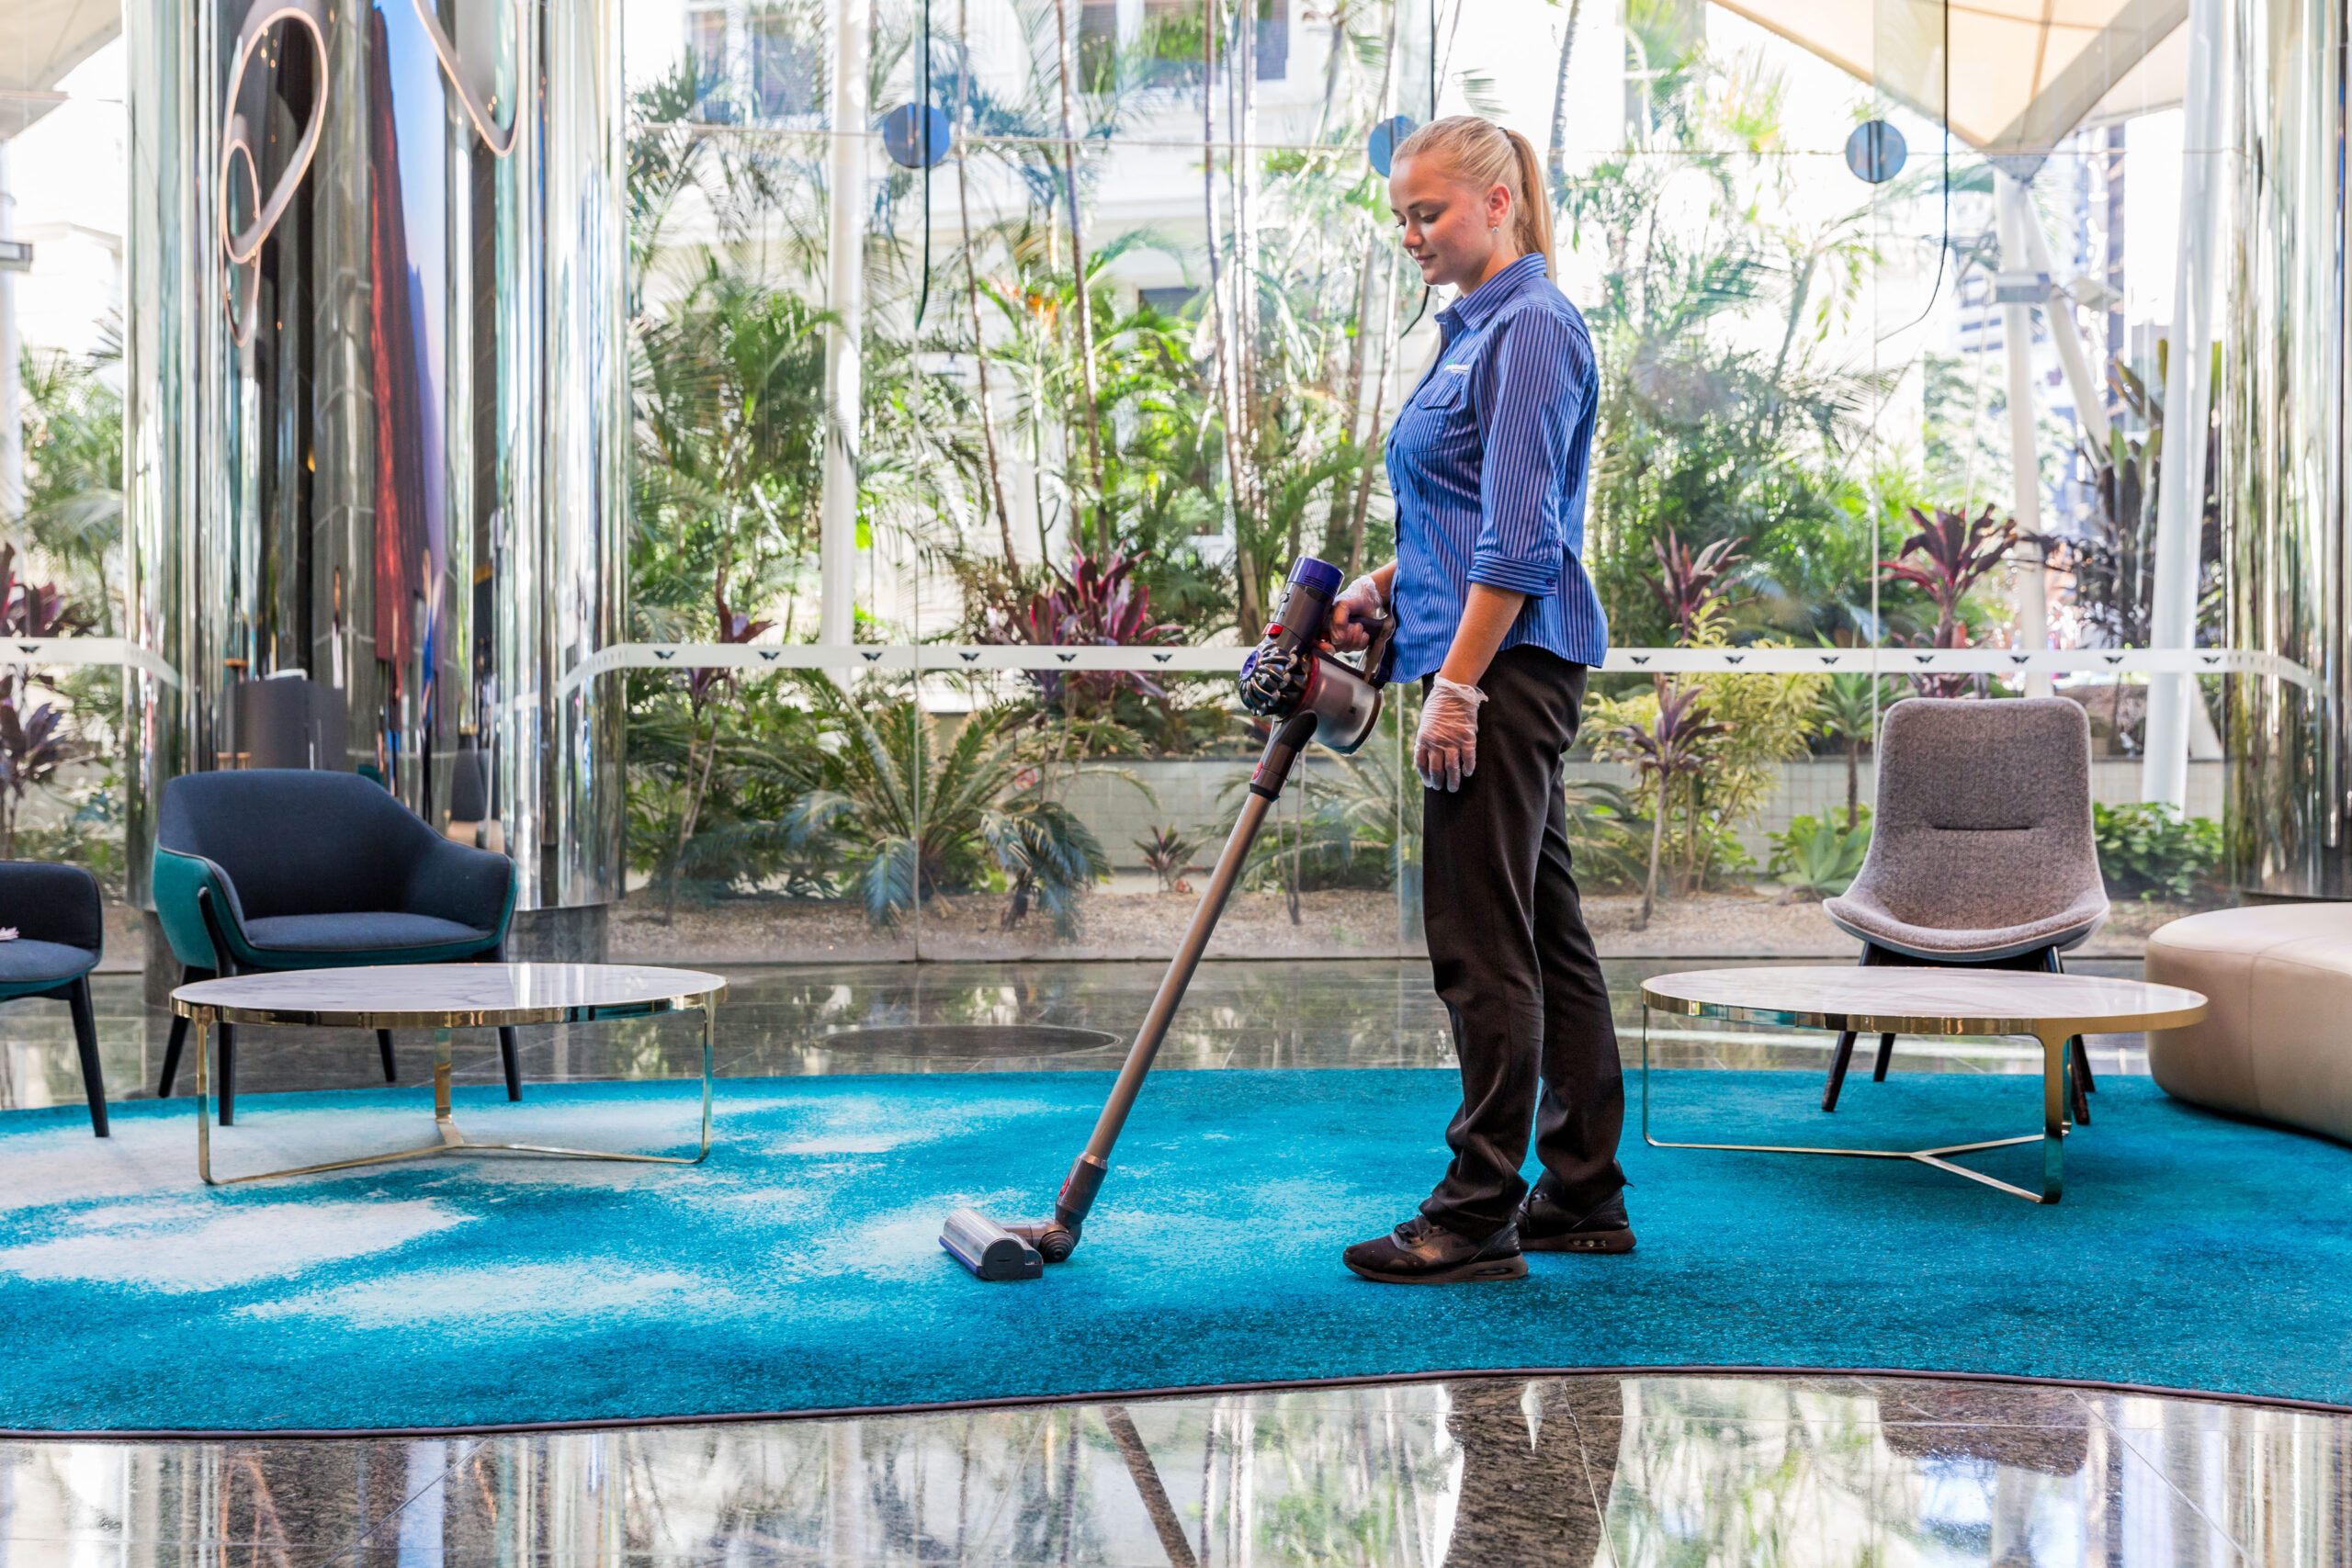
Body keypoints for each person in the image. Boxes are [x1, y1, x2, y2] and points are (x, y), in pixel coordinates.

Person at [1328, 115, 1630, 1285]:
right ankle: (1582, 1197)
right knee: (1544, 935)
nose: (1410, 233)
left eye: (1429, 212)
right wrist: (1382, 582)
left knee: (1478, 942)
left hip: (1501, 668)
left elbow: (1522, 543)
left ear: (1497, 204)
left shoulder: (1532, 330)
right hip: (1486, 655)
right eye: (1400, 216)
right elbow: (1463, 519)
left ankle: (1475, 1208)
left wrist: (1455, 688)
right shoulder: (1475, 333)